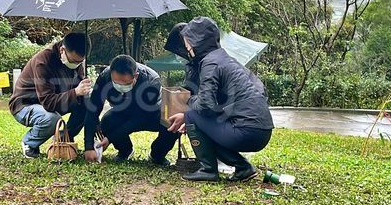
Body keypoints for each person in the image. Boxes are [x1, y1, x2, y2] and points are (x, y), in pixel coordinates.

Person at [165, 17, 274, 182]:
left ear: (197, 40)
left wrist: (188, 103)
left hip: (246, 131)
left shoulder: (210, 63)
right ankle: (244, 168)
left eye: (188, 41)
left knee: (193, 114)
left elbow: (205, 105)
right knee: (200, 121)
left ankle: (208, 170)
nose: (186, 46)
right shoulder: (223, 58)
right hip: (262, 131)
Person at [83, 55, 179, 165]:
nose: (120, 86)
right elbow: (92, 109)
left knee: (171, 124)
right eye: (116, 82)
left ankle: (157, 155)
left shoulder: (152, 80)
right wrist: (89, 146)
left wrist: (110, 138)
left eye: (125, 83)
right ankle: (125, 151)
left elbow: (137, 119)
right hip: (123, 111)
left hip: (151, 115)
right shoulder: (105, 76)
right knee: (107, 121)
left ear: (136, 76)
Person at [9, 33, 91, 158]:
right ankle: (29, 143)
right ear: (62, 50)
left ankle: (63, 139)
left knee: (87, 105)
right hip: (26, 105)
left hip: (55, 102)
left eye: (80, 62)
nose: (77, 65)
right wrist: (75, 92)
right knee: (52, 119)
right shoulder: (43, 61)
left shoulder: (75, 61)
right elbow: (48, 102)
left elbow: (82, 99)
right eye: (74, 61)